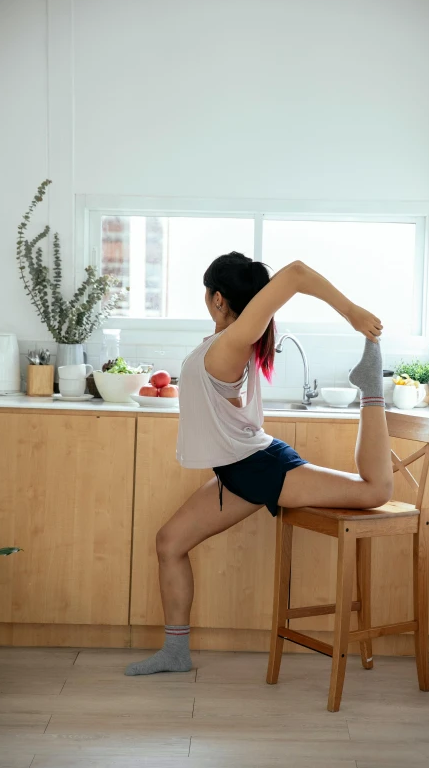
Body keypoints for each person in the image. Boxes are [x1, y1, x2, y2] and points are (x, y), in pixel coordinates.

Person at [125, 252, 393, 677]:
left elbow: (299, 272)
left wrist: (352, 313)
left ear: (217, 299)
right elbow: (225, 400)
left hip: (259, 468)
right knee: (170, 543)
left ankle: (370, 385)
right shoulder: (225, 345)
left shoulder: (233, 342)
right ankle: (176, 653)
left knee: (375, 491)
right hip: (236, 470)